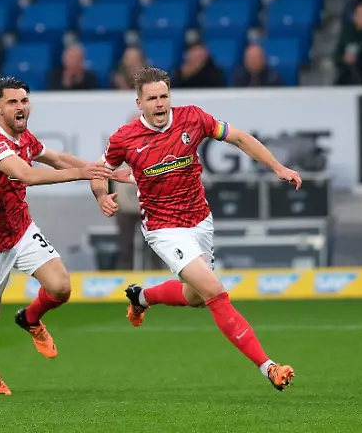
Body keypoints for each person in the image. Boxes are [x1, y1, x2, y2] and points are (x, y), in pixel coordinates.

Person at [90, 66, 300, 392]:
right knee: (214, 290)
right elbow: (99, 171)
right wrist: (102, 196)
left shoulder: (193, 119)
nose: (160, 104)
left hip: (200, 220)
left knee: (196, 296)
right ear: (139, 102)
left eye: (164, 96)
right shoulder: (124, 138)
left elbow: (241, 138)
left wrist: (279, 167)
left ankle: (141, 296)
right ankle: (268, 367)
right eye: (152, 99)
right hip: (163, 228)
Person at [0, 77, 126, 395]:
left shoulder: (25, 139)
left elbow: (59, 160)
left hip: (20, 229)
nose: (20, 107)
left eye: (24, 100)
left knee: (61, 287)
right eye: (12, 102)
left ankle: (30, 318)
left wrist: (105, 170)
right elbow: (25, 174)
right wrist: (82, 174)